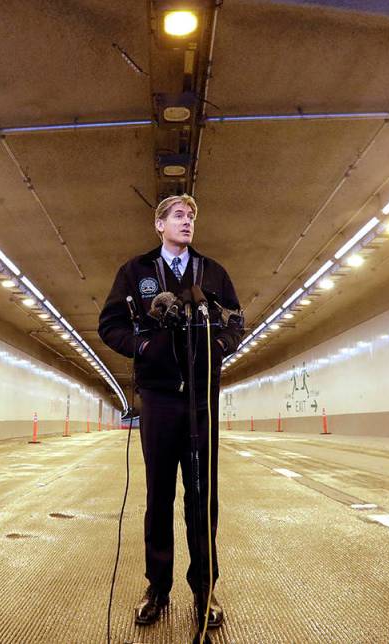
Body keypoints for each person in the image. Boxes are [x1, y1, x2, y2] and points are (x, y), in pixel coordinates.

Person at [98, 194, 243, 630]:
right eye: (178, 216)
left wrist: (219, 346)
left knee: (202, 499)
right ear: (159, 225)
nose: (187, 222)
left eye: (191, 216)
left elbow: (237, 320)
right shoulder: (136, 273)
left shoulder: (212, 271)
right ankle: (157, 588)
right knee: (158, 496)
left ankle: (205, 590)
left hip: (201, 398)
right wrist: (143, 346)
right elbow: (109, 326)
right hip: (160, 400)